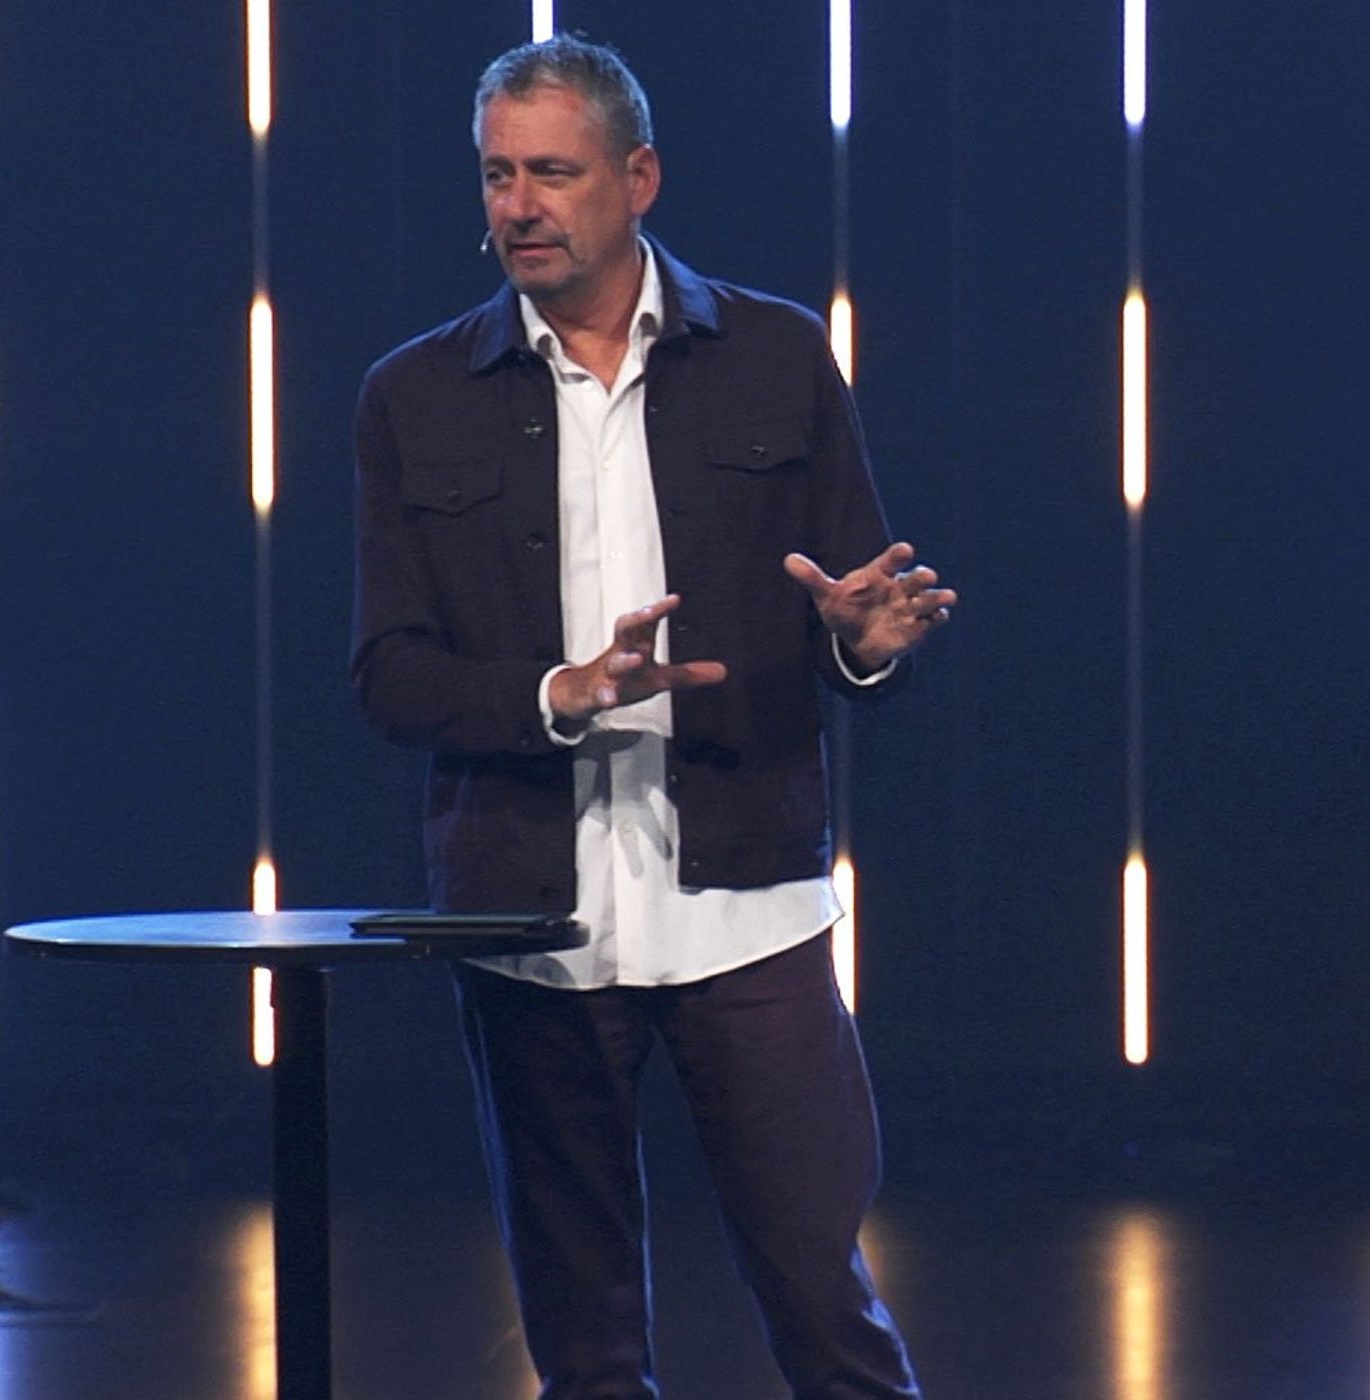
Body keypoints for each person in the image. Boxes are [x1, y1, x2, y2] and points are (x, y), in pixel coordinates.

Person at [351, 33, 956, 1400]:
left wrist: (862, 647)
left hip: (749, 908)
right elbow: (388, 674)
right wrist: (558, 695)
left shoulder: (777, 355)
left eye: (552, 174)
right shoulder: (413, 394)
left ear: (638, 179)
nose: (518, 206)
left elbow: (862, 616)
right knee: (585, 1344)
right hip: (531, 920)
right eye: (497, 175)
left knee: (822, 1298)